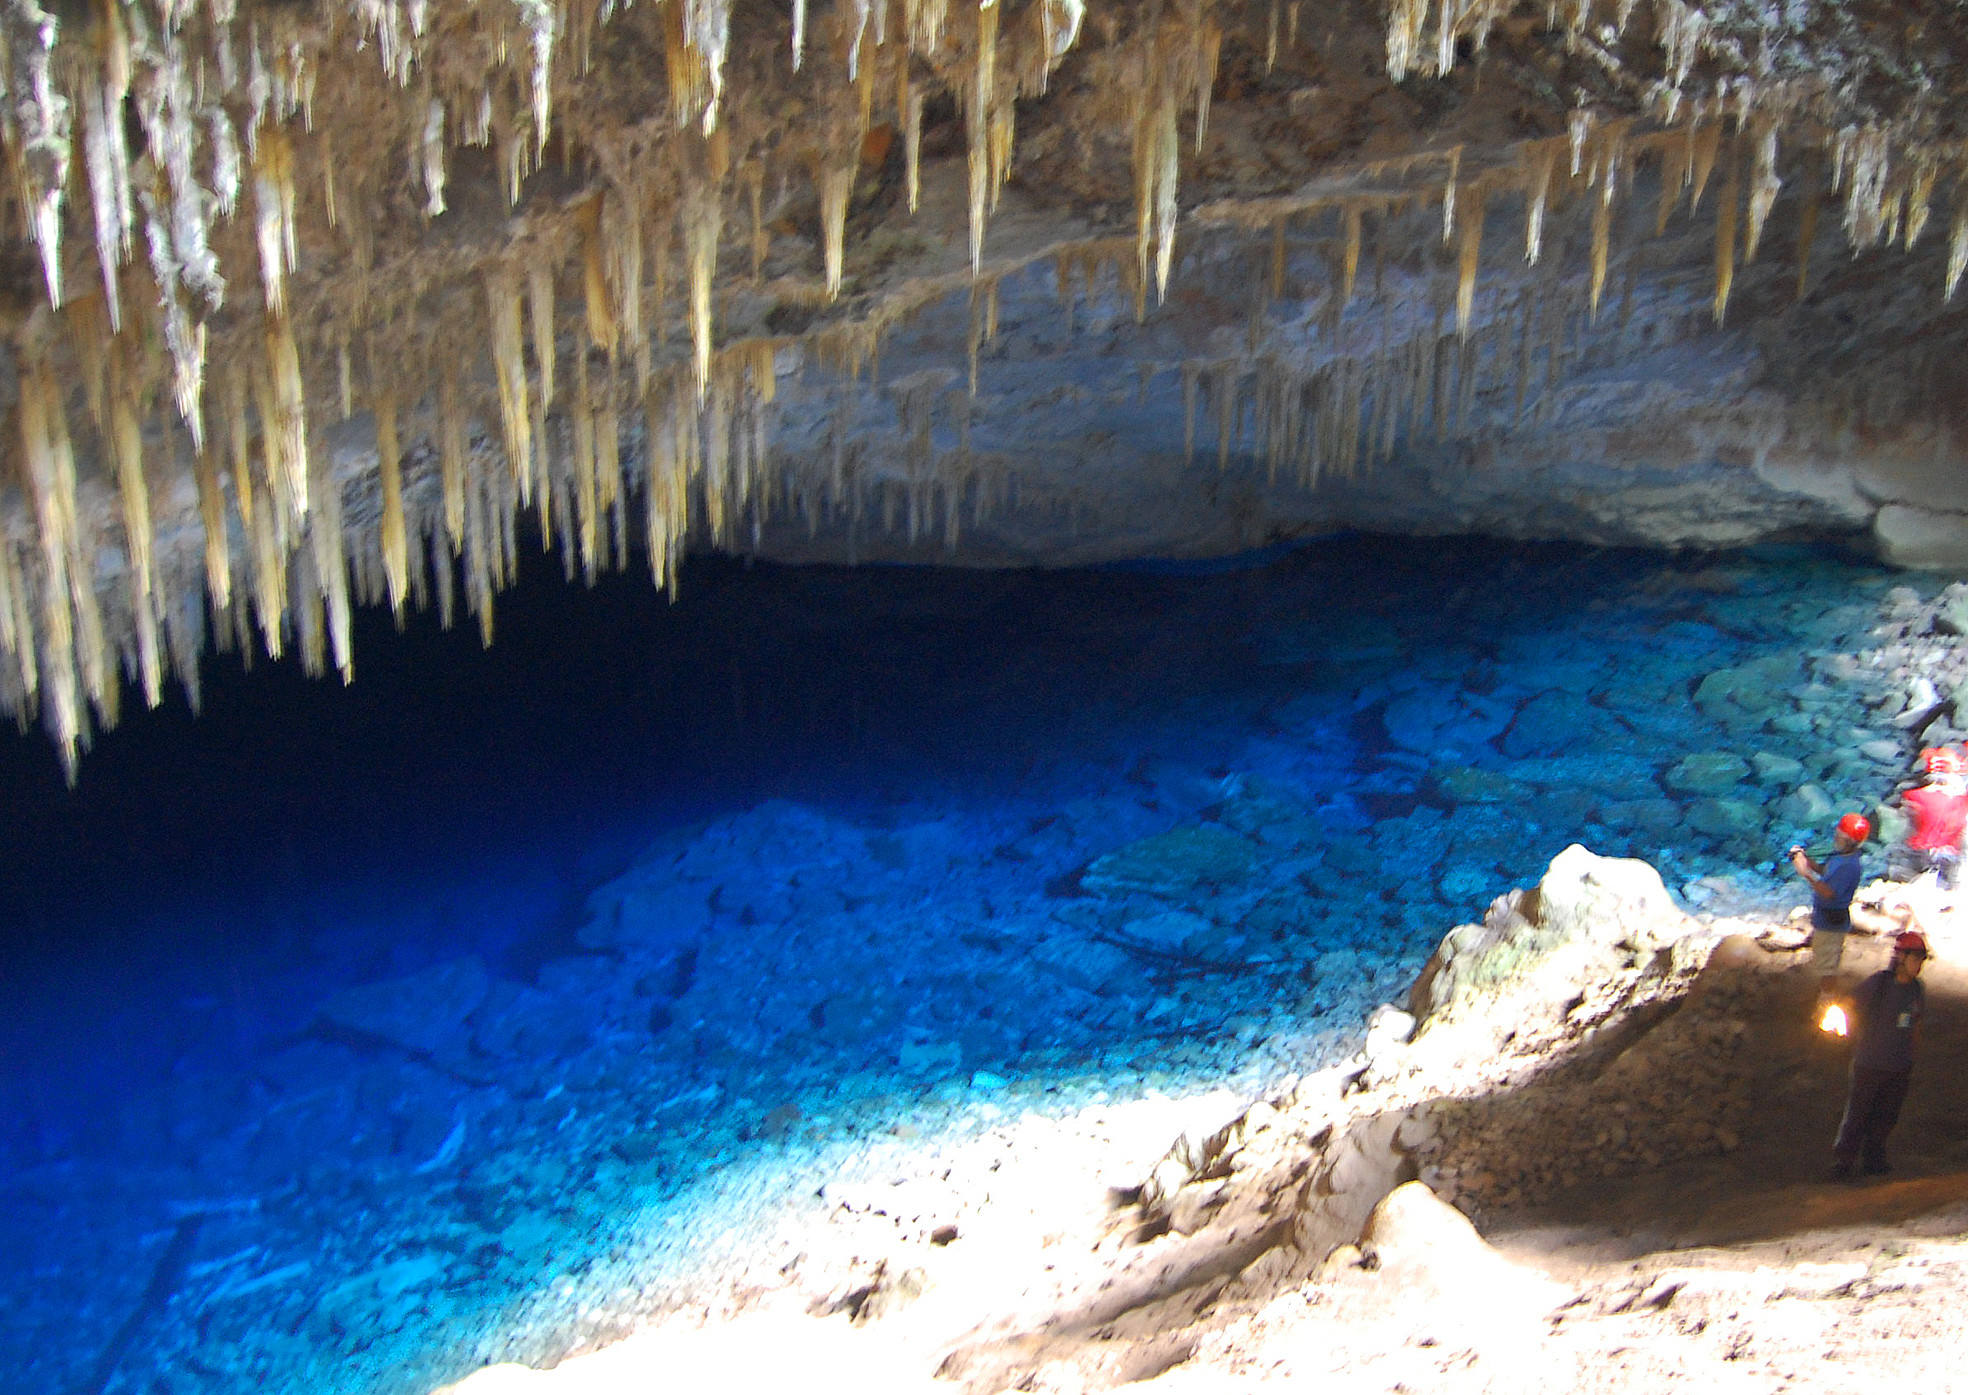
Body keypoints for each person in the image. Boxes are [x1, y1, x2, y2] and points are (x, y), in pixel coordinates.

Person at [1830, 929, 1929, 1180]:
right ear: (1901, 957)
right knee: (1858, 1114)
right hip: (1870, 1064)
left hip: (1898, 1066)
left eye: (1921, 959)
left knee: (1886, 1116)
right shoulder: (1880, 984)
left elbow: (1915, 1023)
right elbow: (1851, 1002)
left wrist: (1912, 1055)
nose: (1918, 964)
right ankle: (1844, 1162)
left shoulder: (1916, 989)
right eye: (1914, 958)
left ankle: (1873, 1159)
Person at [1791, 813, 1869, 1002]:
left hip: (1831, 922)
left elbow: (1828, 892)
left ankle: (1826, 1003)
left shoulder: (1849, 866)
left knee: (1827, 966)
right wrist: (1806, 860)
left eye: (1840, 836)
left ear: (1849, 841)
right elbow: (1825, 871)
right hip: (1825, 919)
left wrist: (1805, 873)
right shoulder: (1842, 858)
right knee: (1824, 959)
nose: (1836, 839)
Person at [1895, 746, 1968, 891]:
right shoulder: (1961, 800)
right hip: (1950, 858)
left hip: (1918, 855)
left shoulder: (1913, 796)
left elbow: (1904, 835)